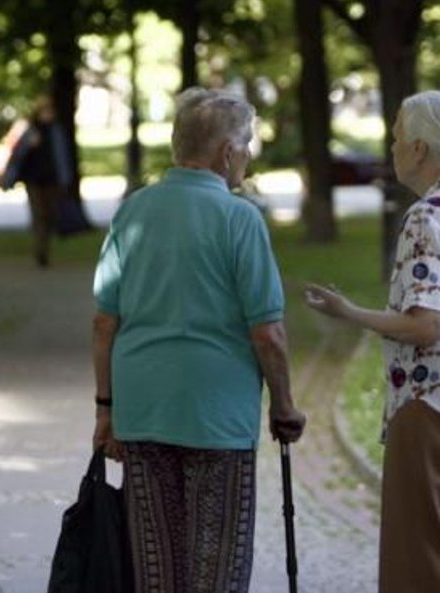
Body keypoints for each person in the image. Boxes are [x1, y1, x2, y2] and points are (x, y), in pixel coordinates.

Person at [303, 90, 440, 593]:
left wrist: (350, 313)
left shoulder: (428, 217)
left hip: (433, 404)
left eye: (396, 136)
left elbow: (427, 325)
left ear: (421, 149)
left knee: (421, 560)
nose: (392, 146)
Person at [91, 87, 307, 593]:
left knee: (157, 572)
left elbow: (104, 322)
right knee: (216, 571)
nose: (249, 155)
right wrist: (285, 406)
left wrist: (106, 409)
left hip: (143, 412)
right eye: (247, 144)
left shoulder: (133, 212)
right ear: (227, 151)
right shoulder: (239, 220)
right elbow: (268, 333)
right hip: (217, 418)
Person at [1, 96, 74, 268]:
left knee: (50, 215)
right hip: (34, 180)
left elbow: (63, 157)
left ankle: (44, 246)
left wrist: (65, 178)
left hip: (52, 180)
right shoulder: (31, 132)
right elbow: (18, 156)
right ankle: (40, 250)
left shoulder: (56, 132)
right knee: (39, 214)